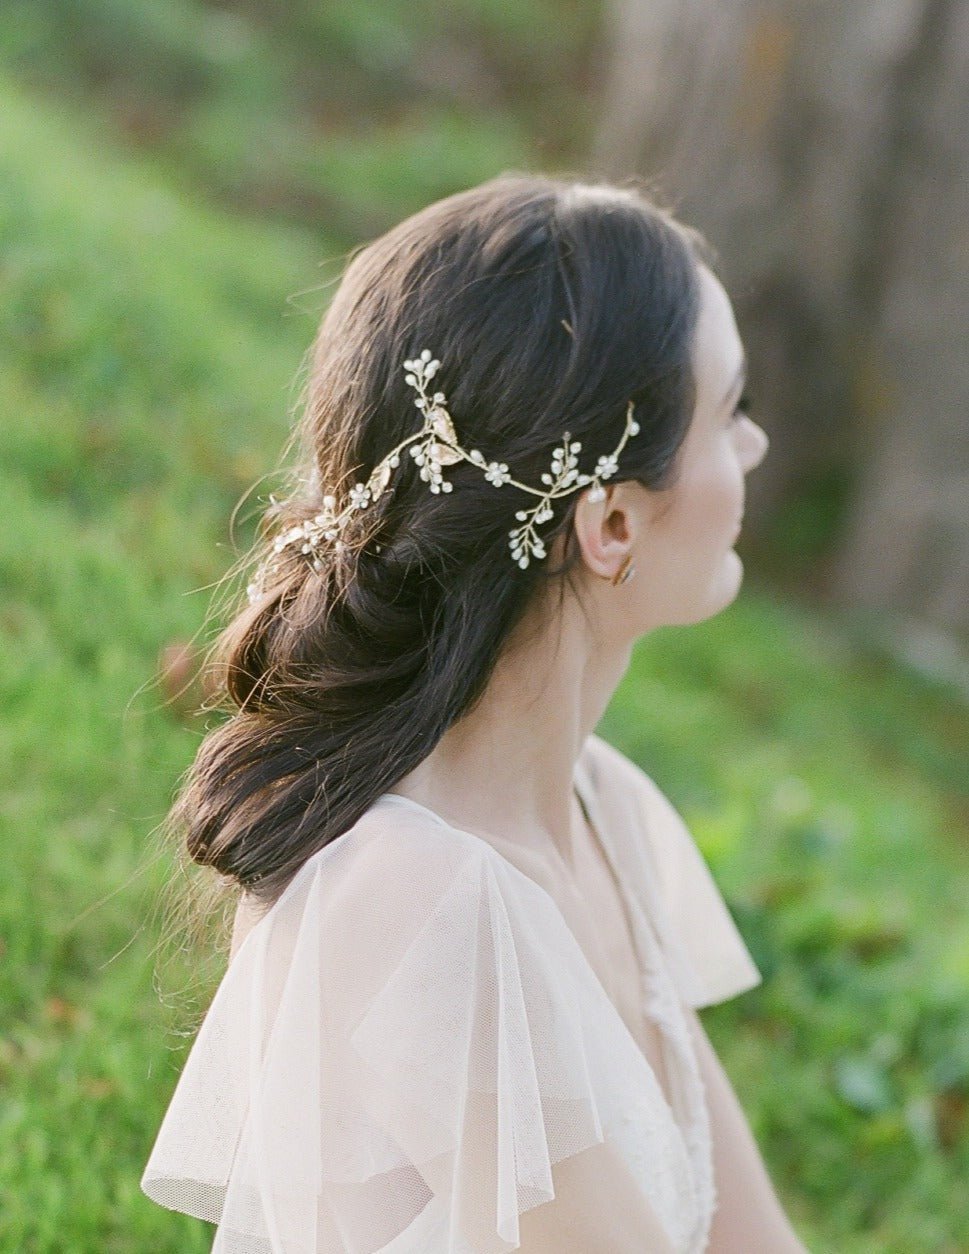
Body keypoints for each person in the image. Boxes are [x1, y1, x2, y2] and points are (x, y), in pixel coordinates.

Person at [140, 174, 807, 1252]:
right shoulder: (409, 902)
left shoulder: (608, 812)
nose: (756, 447)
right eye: (729, 412)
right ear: (613, 527)